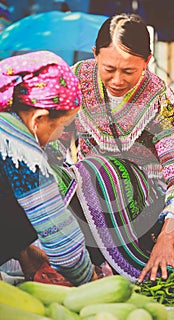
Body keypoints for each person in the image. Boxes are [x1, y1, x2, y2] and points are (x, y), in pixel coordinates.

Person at [59, 13, 174, 283]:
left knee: (98, 168)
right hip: (92, 200)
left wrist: (165, 239)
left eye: (128, 71)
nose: (116, 80)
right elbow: (53, 151)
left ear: (148, 62)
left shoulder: (159, 99)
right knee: (73, 174)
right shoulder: (77, 77)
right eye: (108, 69)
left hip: (145, 206)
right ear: (95, 54)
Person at [0, 50, 96, 286]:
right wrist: (91, 281)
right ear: (38, 119)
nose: (60, 135)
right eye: (62, 125)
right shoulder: (21, 152)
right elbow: (62, 242)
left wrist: (26, 253)